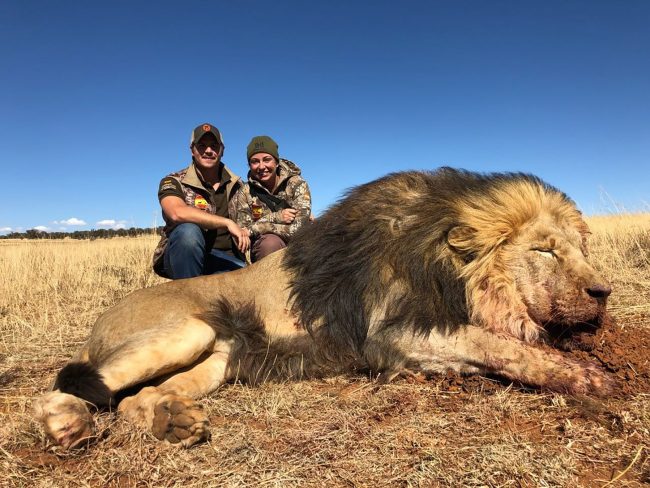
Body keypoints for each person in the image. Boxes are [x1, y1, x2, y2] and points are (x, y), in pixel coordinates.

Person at [152, 123, 250, 279]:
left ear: (222, 150)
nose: (208, 151)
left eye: (214, 146)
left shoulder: (239, 186)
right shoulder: (173, 181)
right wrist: (227, 223)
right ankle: (188, 290)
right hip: (184, 255)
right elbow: (176, 213)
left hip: (226, 259)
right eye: (202, 146)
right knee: (188, 232)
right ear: (192, 150)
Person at [231, 135, 311, 262]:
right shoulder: (245, 192)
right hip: (264, 248)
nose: (261, 166)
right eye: (255, 161)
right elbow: (244, 234)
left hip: (297, 245)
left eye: (267, 160)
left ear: (277, 162)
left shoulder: (297, 184)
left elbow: (298, 229)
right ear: (249, 165)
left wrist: (257, 227)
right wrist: (276, 217)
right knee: (270, 243)